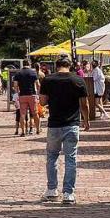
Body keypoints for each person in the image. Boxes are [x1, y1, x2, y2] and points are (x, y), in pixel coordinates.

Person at [39, 57, 88, 204]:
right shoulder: (78, 80)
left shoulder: (48, 80)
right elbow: (84, 104)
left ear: (56, 66)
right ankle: (68, 193)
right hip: (72, 124)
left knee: (52, 156)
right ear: (70, 66)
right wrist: (86, 120)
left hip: (54, 124)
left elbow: (42, 102)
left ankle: (52, 190)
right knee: (71, 158)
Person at [12, 60, 41, 136]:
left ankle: (23, 131)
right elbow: (38, 84)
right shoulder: (33, 73)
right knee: (35, 113)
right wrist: (38, 94)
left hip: (22, 95)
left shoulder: (18, 73)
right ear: (30, 64)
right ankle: (38, 130)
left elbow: (15, 85)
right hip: (32, 95)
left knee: (22, 114)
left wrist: (17, 93)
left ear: (23, 64)